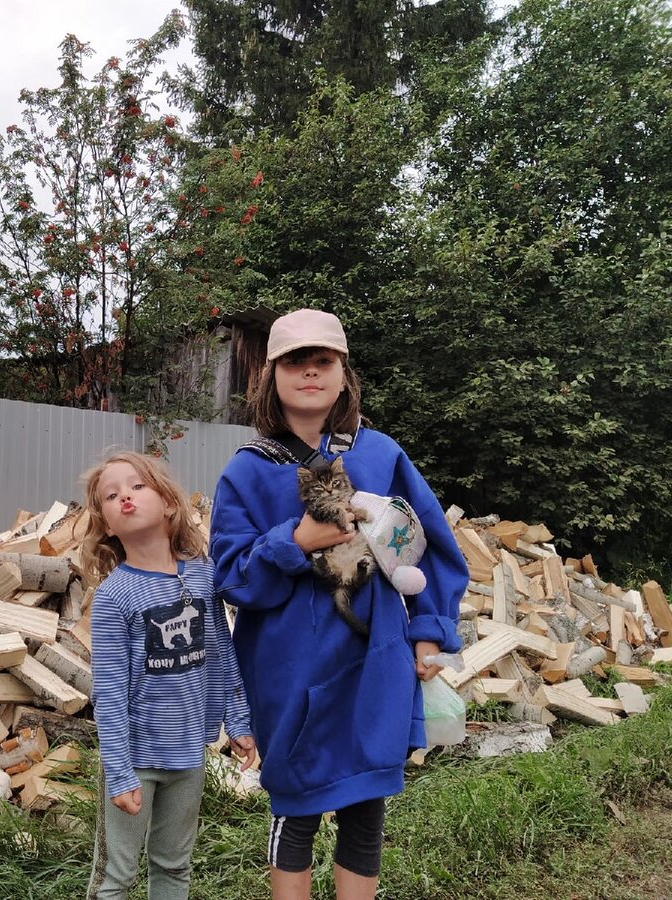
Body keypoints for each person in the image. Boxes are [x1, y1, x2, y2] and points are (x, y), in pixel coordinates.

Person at [209, 309, 468, 900]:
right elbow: (232, 577)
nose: (309, 373)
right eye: (294, 362)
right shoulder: (247, 472)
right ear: (269, 377)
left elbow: (431, 547)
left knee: (366, 804)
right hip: (287, 667)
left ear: (343, 373)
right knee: (295, 803)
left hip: (372, 657)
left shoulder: (380, 455)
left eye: (322, 361)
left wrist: (428, 632)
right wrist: (295, 543)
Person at [80, 450, 257, 900]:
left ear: (169, 503)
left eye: (137, 486)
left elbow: (221, 654)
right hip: (135, 759)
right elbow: (110, 693)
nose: (125, 497)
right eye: (111, 495)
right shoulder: (113, 598)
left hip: (188, 756)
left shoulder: (202, 579)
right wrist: (118, 772)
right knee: (115, 877)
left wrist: (237, 722)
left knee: (174, 866)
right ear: (105, 523)